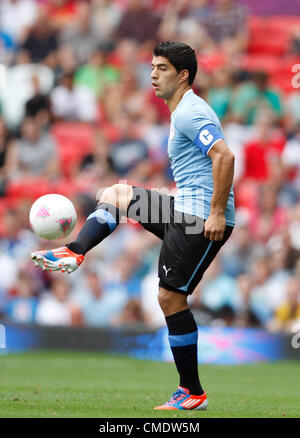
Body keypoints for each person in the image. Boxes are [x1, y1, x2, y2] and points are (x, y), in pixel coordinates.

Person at [30, 41, 235, 410]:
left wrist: (218, 212)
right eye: (152, 67)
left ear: (183, 74)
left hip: (200, 219)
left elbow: (224, 155)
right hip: (183, 210)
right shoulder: (181, 113)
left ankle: (192, 391)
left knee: (168, 297)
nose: (153, 75)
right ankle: (75, 251)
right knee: (117, 194)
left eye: (162, 68)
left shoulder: (191, 112)